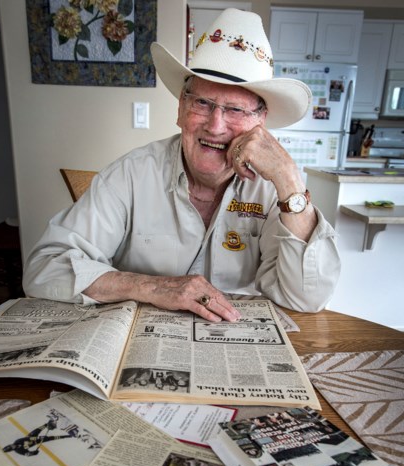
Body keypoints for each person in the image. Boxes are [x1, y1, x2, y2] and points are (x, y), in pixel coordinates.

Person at [22, 9, 341, 322]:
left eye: (235, 110)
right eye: (203, 103)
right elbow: (44, 269)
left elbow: (306, 298)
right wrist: (152, 286)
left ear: (261, 122)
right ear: (181, 107)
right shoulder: (131, 173)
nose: (216, 127)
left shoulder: (274, 189)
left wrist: (290, 181)